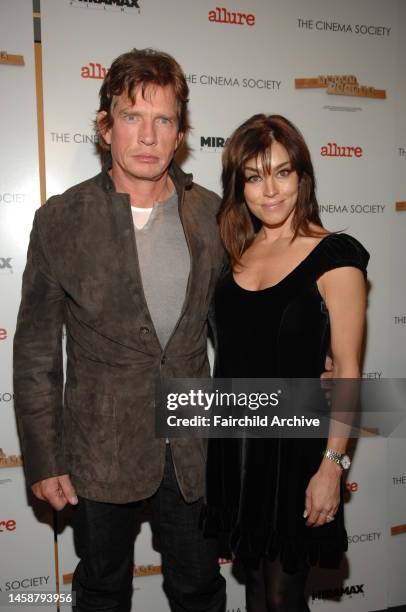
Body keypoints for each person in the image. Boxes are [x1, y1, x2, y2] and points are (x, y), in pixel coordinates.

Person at [13, 48, 226, 612]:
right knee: (103, 589)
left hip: (193, 440)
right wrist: (43, 457)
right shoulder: (61, 218)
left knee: (199, 586)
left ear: (180, 132)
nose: (149, 136)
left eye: (164, 120)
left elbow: (245, 316)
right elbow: (36, 351)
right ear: (106, 125)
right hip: (98, 447)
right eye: (133, 117)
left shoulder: (213, 214)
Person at [205, 114, 369, 612]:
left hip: (296, 453)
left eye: (282, 171)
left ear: (302, 175)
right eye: (254, 177)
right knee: (254, 587)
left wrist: (332, 467)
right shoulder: (235, 252)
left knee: (282, 596)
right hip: (237, 447)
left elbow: (347, 370)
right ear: (240, 186)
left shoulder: (334, 257)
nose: (269, 190)